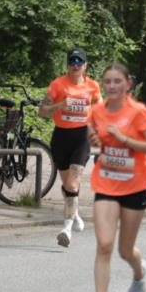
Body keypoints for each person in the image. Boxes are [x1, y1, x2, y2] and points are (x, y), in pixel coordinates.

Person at [85, 62, 146, 292]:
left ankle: (139, 272)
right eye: (108, 82)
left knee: (125, 251)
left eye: (118, 81)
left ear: (128, 84)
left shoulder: (137, 113)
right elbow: (92, 135)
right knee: (104, 245)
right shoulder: (96, 111)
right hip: (106, 183)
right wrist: (92, 138)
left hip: (136, 185)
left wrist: (125, 140)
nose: (112, 86)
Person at [39, 48, 101, 248]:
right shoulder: (58, 84)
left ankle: (66, 229)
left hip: (82, 137)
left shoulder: (92, 86)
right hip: (61, 137)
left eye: (79, 62)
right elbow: (42, 112)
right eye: (72, 61)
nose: (75, 64)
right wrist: (59, 106)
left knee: (73, 184)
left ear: (85, 66)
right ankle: (74, 216)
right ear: (67, 64)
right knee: (67, 186)